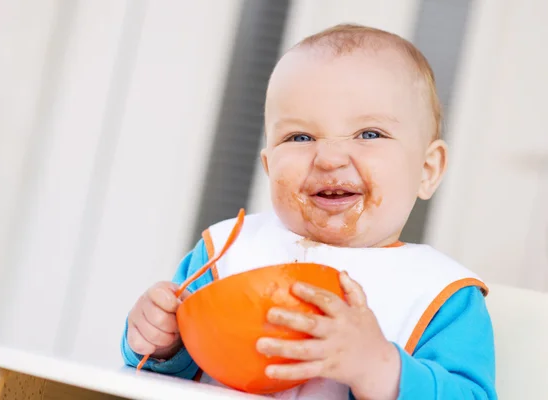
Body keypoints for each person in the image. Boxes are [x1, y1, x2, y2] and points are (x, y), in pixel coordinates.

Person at [120, 23, 497, 399]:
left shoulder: (440, 293)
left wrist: (380, 368)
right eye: (300, 137)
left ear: (427, 170)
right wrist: (160, 341)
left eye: (369, 134)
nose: (330, 158)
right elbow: (165, 368)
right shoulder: (225, 251)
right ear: (269, 167)